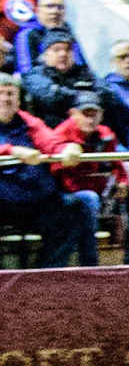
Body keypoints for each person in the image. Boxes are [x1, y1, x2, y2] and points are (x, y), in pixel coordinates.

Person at [0, 72, 91, 267]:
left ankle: (45, 275)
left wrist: (69, 148)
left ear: (19, 99)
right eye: (1, 93)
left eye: (11, 94)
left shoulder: (30, 122)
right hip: (3, 200)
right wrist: (12, 151)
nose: (6, 99)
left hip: (36, 197)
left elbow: (51, 142)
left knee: (73, 209)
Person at [48, 90, 129, 266]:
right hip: (70, 195)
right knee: (89, 199)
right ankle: (90, 264)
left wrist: (123, 184)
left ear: (101, 115)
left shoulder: (106, 134)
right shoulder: (60, 135)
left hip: (102, 191)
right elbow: (56, 173)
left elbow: (117, 166)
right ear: (73, 114)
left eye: (94, 114)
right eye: (85, 114)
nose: (90, 119)